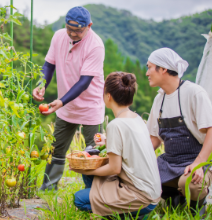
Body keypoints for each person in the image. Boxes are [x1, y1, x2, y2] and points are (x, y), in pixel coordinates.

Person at [32, 6, 105, 190]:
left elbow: (84, 82)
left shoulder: (95, 45)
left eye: (78, 31)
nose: (72, 34)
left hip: (90, 107)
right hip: (65, 106)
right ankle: (48, 189)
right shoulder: (58, 37)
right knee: (56, 149)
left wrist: (61, 101)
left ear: (89, 26)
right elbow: (49, 65)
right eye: (69, 29)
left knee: (93, 152)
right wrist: (42, 85)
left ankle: (95, 193)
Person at [71, 72, 161, 217]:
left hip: (140, 197)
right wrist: (108, 141)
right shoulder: (136, 118)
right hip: (153, 193)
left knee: (80, 199)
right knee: (91, 177)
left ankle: (120, 214)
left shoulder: (116, 125)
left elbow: (114, 168)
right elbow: (130, 144)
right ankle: (110, 204)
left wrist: (85, 171)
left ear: (108, 96)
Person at [146, 48, 212, 214]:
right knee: (142, 176)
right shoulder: (159, 99)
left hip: (196, 161)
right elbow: (153, 140)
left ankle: (197, 209)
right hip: (169, 161)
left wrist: (198, 163)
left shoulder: (193, 93)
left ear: (163, 69)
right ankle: (173, 198)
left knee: (190, 183)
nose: (147, 73)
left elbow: (211, 129)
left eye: (150, 67)